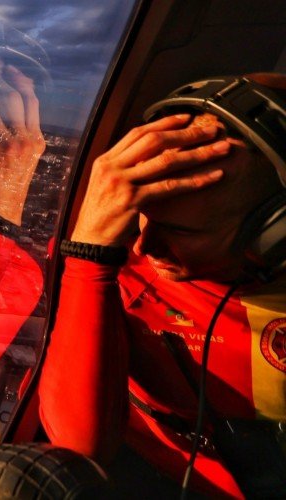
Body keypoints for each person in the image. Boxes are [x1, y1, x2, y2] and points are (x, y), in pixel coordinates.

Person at [38, 75, 286, 499]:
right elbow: (76, 449)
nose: (142, 244)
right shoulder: (111, 266)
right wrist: (88, 256)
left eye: (176, 229)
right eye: (141, 213)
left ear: (273, 232)